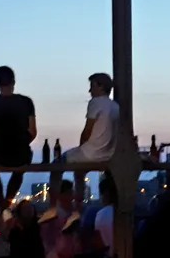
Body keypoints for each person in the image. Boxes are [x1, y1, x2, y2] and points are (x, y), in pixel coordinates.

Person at [41, 73, 120, 229]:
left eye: (92, 86)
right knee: (79, 172)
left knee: (56, 165)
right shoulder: (116, 107)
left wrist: (81, 147)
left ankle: (53, 207)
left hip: (91, 152)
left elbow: (87, 130)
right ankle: (77, 208)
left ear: (100, 86)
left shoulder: (95, 103)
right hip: (108, 154)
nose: (90, 90)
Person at [0, 65, 36, 221]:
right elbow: (33, 132)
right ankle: (8, 200)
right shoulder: (26, 102)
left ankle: (1, 203)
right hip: (20, 153)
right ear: (14, 81)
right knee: (20, 169)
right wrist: (21, 142)